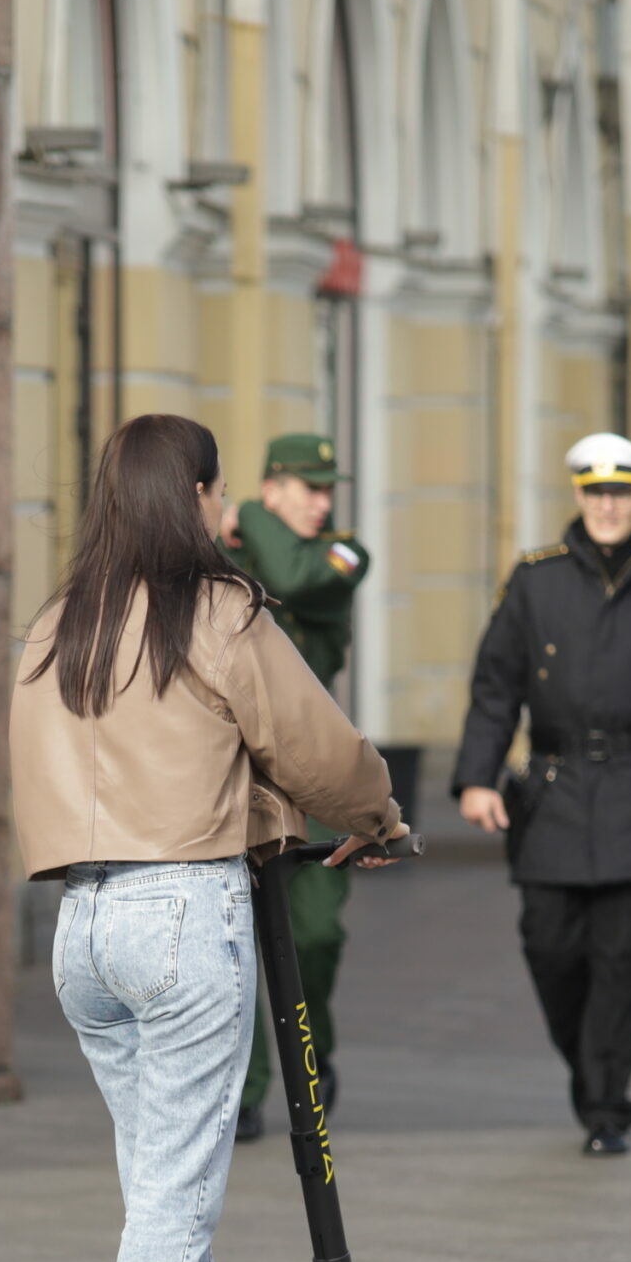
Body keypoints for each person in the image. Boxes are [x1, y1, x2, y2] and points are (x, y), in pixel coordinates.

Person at [10, 413, 406, 1262]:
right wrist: (376, 814)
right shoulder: (215, 608)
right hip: (182, 912)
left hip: (80, 927)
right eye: (218, 492)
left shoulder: (60, 621)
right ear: (189, 498)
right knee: (177, 1197)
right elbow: (313, 741)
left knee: (158, 1185)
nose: (227, 513)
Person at [449, 431, 631, 1156]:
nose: (607, 506)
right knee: (548, 943)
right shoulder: (535, 578)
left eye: (620, 492)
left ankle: (607, 1103)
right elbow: (496, 686)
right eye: (594, 492)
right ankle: (591, 1069)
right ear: (579, 495)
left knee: (618, 953)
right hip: (552, 789)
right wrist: (478, 776)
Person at [217, 433, 372, 1142]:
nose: (322, 500)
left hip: (311, 785)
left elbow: (295, 577)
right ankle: (245, 1092)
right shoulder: (227, 561)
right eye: (307, 487)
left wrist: (246, 512)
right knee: (239, 945)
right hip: (236, 784)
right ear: (276, 485)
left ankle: (315, 1053)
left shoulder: (340, 555)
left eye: (326, 487)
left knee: (313, 934)